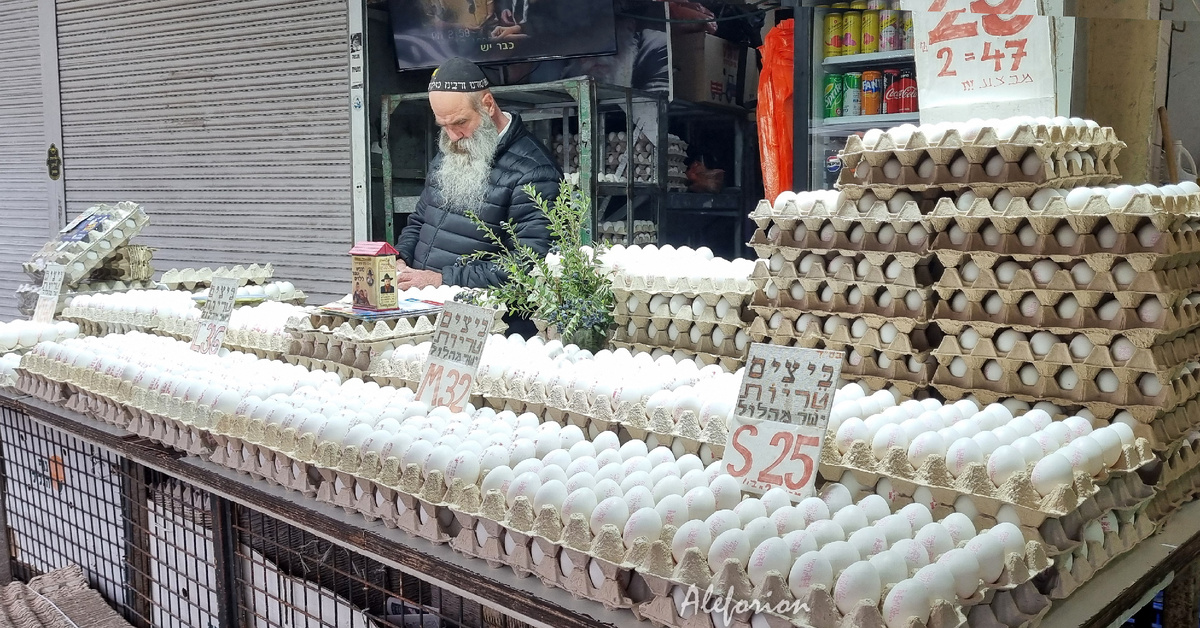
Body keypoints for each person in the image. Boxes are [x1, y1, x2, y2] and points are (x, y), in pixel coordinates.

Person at [395, 57, 560, 292]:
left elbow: (530, 263)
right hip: (425, 302)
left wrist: (441, 280)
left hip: (482, 315)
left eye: (460, 122)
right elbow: (421, 219)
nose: (452, 136)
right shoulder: (452, 149)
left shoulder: (535, 171)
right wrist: (399, 259)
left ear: (488, 105)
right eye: (443, 126)